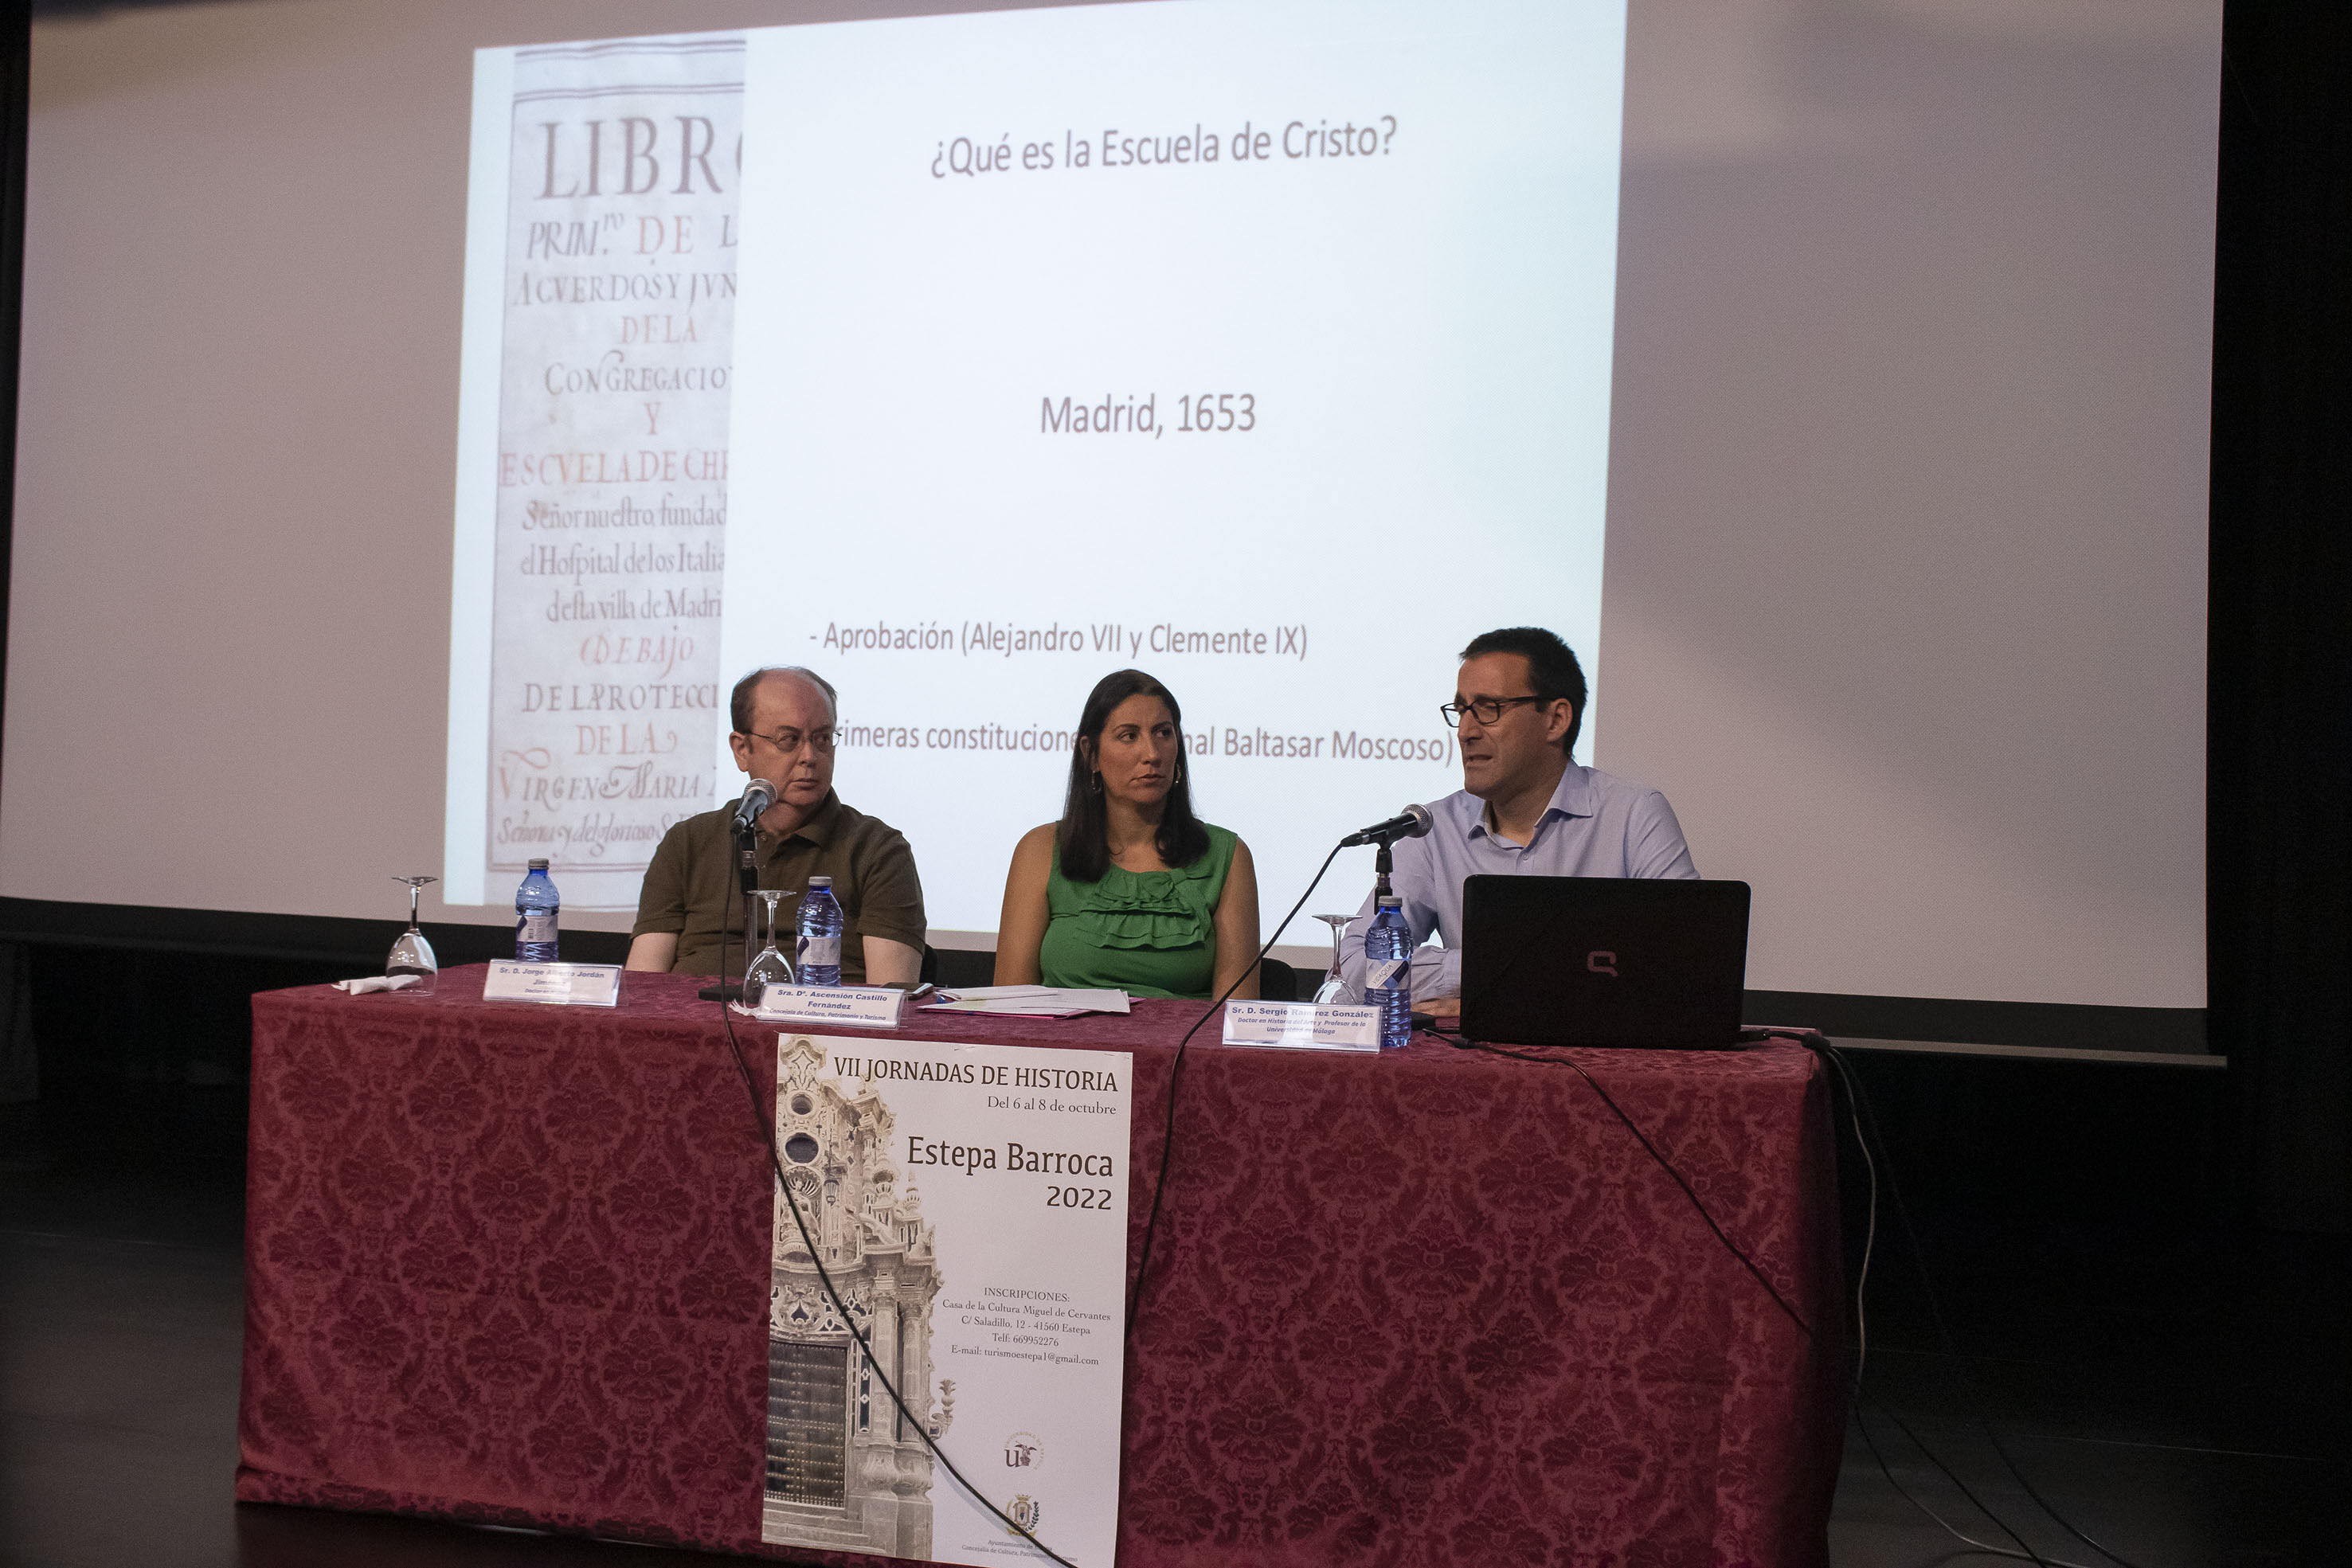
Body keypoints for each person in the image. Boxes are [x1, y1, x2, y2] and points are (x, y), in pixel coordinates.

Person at [1340, 627, 1696, 1016]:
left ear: (1556, 720)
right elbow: (1354, 968)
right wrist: (1503, 972)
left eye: (1488, 708)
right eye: (1461, 711)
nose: (1466, 732)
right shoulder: (1432, 828)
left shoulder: (1634, 815)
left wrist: (1496, 980)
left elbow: (1685, 964)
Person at [627, 666, 926, 986]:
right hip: (693, 1015)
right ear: (742, 750)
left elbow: (889, 998)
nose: (810, 756)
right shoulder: (688, 843)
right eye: (789, 740)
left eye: (823, 739)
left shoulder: (878, 850)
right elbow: (644, 985)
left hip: (819, 1017)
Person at [995, 669, 1262, 1000]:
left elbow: (1236, 1015)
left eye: (1163, 733)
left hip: (1184, 1036)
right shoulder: (1039, 850)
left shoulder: (1227, 855)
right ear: (1091, 754)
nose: (1152, 754)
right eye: (1129, 736)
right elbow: (1009, 1005)